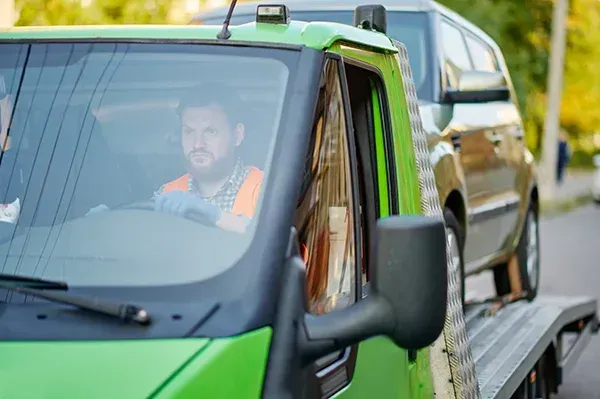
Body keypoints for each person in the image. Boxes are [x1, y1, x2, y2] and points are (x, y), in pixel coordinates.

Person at [88, 84, 264, 233]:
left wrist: (214, 215)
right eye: (188, 132)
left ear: (238, 135)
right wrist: (110, 223)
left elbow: (269, 238)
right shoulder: (168, 192)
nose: (197, 144)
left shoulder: (265, 187)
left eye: (210, 132)